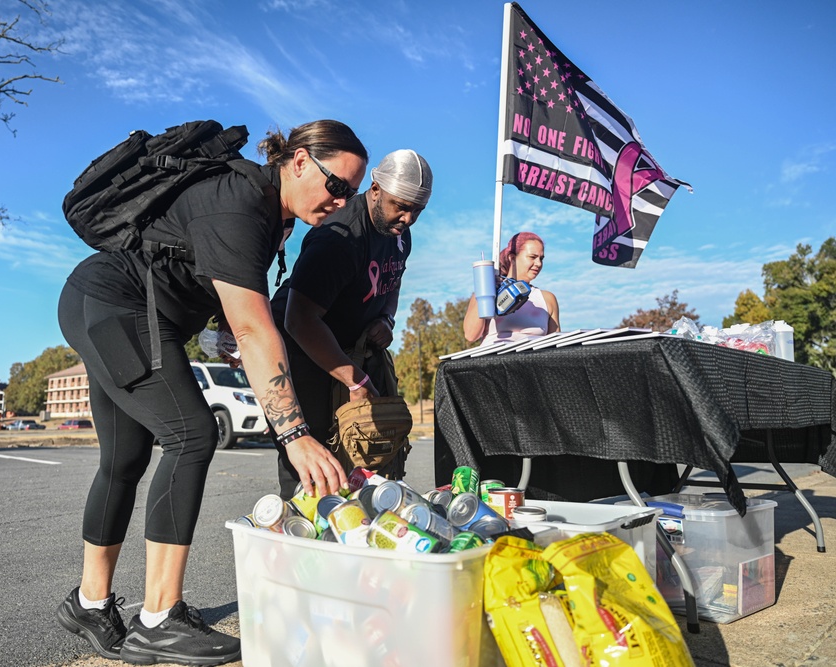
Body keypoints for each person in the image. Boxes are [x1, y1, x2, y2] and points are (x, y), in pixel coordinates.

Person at [54, 120, 368, 666]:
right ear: (298, 162)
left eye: (351, 194)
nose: (341, 202)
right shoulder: (243, 201)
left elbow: (231, 311)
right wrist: (294, 432)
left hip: (116, 309)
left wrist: (226, 327)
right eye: (336, 185)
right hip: (112, 304)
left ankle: (89, 603)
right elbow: (255, 328)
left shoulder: (271, 217)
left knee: (124, 459)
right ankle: (158, 619)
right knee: (192, 436)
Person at [270, 149, 433, 498]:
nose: (407, 218)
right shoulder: (339, 238)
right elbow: (299, 319)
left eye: (416, 210)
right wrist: (353, 378)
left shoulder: (399, 233)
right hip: (302, 350)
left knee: (368, 460)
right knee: (314, 470)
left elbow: (393, 278)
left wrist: (387, 318)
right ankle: (304, 541)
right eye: (399, 206)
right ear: (374, 189)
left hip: (351, 346)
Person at [463, 231, 560, 345]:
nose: (538, 263)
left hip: (532, 361)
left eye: (541, 258)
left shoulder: (547, 299)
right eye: (532, 257)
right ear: (512, 258)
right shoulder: (488, 291)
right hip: (494, 359)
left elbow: (555, 346)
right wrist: (487, 290)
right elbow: (470, 335)